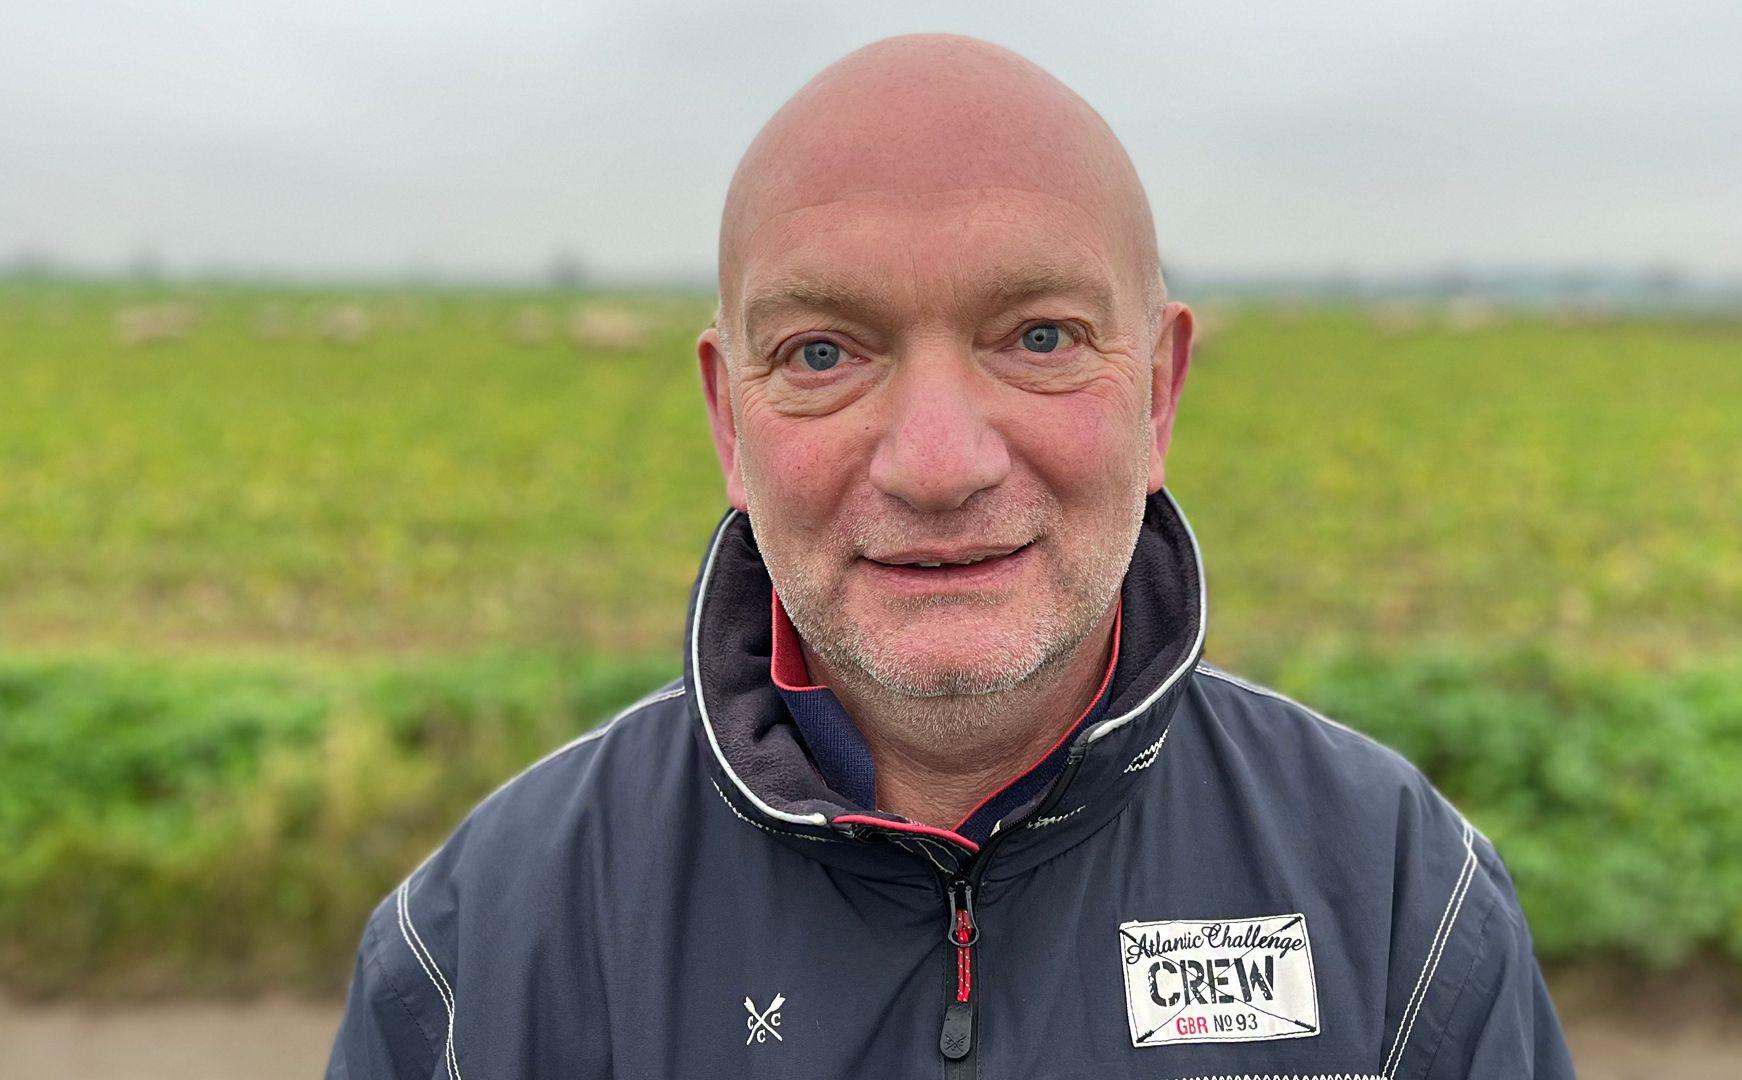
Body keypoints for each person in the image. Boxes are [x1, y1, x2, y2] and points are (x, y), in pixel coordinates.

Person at [328, 32, 1574, 1079]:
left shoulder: (1406, 908)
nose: (937, 462)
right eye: (824, 352)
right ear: (728, 420)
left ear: (1156, 395)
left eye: (1038, 336)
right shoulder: (478, 962)